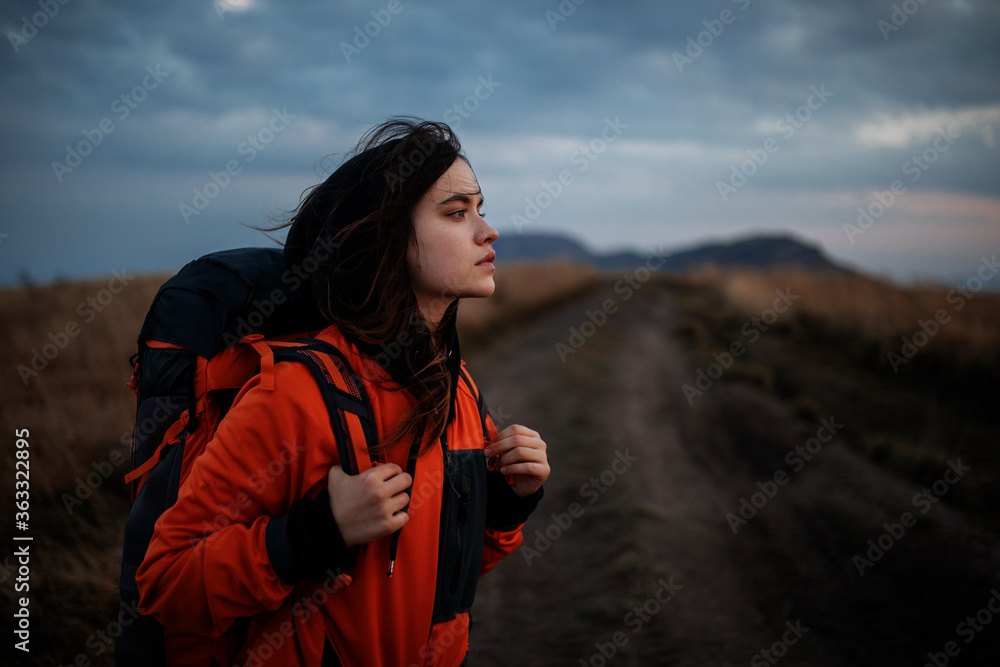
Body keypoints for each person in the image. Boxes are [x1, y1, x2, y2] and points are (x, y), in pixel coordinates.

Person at [135, 118, 550, 666]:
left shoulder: (455, 388)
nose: (487, 231)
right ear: (387, 236)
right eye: (457, 213)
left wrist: (507, 504)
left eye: (481, 208)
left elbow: (442, 576)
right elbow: (166, 584)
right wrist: (313, 535)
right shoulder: (296, 392)